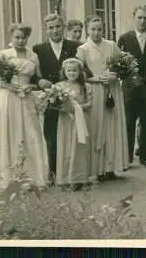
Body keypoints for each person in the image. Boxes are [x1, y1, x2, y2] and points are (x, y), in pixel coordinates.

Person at [0, 23, 49, 189]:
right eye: (17, 37)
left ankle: (32, 177)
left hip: (26, 98)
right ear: (11, 37)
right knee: (9, 133)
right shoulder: (3, 55)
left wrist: (31, 87)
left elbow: (37, 80)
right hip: (7, 99)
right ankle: (7, 177)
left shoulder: (33, 56)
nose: (20, 41)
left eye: (24, 38)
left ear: (28, 38)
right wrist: (9, 87)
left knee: (31, 134)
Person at [76, 15, 129, 182]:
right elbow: (79, 73)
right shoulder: (83, 49)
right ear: (87, 30)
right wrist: (97, 78)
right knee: (98, 128)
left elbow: (124, 66)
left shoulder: (112, 45)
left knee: (112, 127)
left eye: (99, 29)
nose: (96, 32)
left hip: (112, 90)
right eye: (93, 29)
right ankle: (97, 169)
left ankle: (111, 167)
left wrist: (115, 75)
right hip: (95, 91)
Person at [32, 14, 80, 184]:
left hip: (70, 97)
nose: (55, 30)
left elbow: (84, 71)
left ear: (63, 27)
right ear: (46, 30)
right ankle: (53, 172)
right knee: (51, 135)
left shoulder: (74, 46)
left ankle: (72, 173)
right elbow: (31, 75)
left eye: (58, 26)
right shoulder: (38, 49)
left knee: (71, 135)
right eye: (51, 27)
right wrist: (39, 81)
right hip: (50, 98)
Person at [117, 6, 146, 166]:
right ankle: (126, 157)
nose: (143, 21)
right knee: (128, 122)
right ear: (133, 18)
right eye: (140, 18)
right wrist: (127, 76)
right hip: (130, 88)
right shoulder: (124, 38)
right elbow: (118, 63)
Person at [54, 58, 92, 191]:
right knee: (66, 146)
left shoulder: (85, 86)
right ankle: (65, 178)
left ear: (80, 72)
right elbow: (55, 104)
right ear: (64, 72)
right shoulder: (59, 86)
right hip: (66, 121)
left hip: (80, 120)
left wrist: (76, 107)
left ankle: (79, 178)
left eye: (75, 70)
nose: (72, 73)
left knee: (79, 147)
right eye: (69, 70)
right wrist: (64, 107)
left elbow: (89, 104)